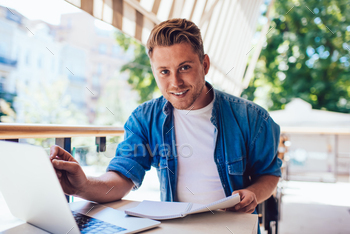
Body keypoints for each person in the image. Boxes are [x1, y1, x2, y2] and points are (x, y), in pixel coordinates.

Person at [50, 18, 281, 219]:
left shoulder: (252, 118)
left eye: (185, 67)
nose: (175, 83)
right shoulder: (144, 119)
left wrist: (254, 193)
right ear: (154, 72)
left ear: (205, 65)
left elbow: (269, 174)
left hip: (233, 227)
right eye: (164, 71)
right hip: (177, 228)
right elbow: (121, 177)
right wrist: (83, 185)